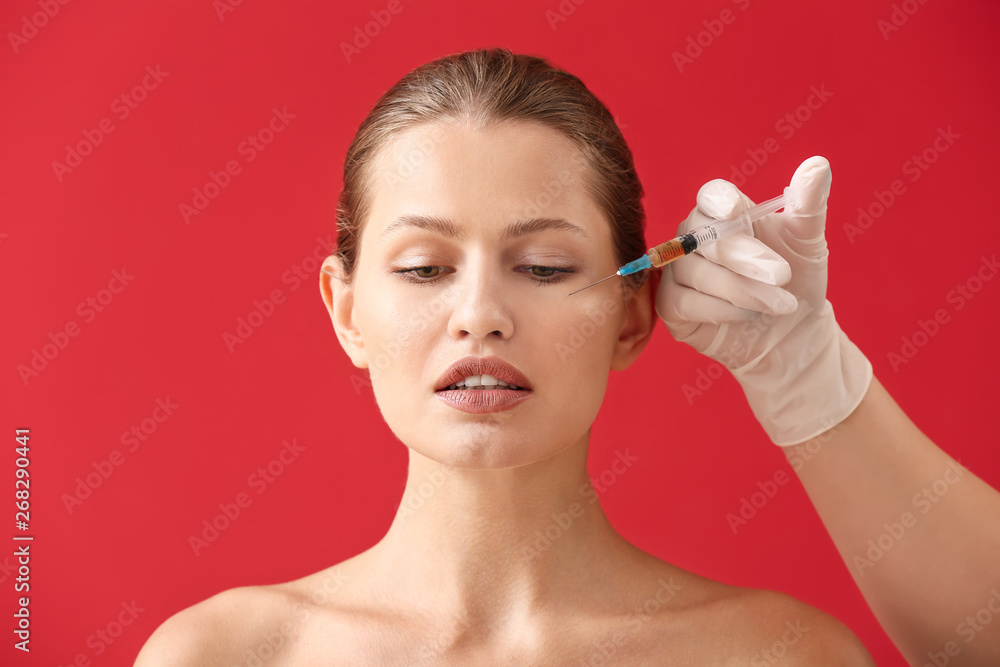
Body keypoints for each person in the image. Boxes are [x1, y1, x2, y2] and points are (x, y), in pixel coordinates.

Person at [136, 48, 999, 666]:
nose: (480, 315)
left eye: (544, 267)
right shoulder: (221, 653)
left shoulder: (777, 654)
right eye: (425, 267)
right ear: (347, 310)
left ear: (632, 312)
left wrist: (812, 375)